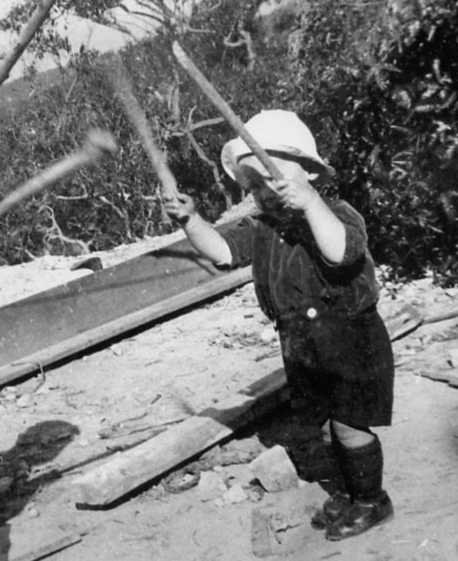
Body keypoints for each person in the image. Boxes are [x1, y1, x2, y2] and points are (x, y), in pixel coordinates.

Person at [162, 109, 395, 541]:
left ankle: (371, 498)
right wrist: (191, 222)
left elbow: (341, 253)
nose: (265, 194)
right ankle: (346, 490)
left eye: (273, 178)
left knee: (349, 423)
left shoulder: (337, 214)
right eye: (253, 187)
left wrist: (310, 204)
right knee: (326, 423)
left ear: (309, 171)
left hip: (351, 340)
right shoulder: (265, 228)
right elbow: (221, 251)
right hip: (303, 343)